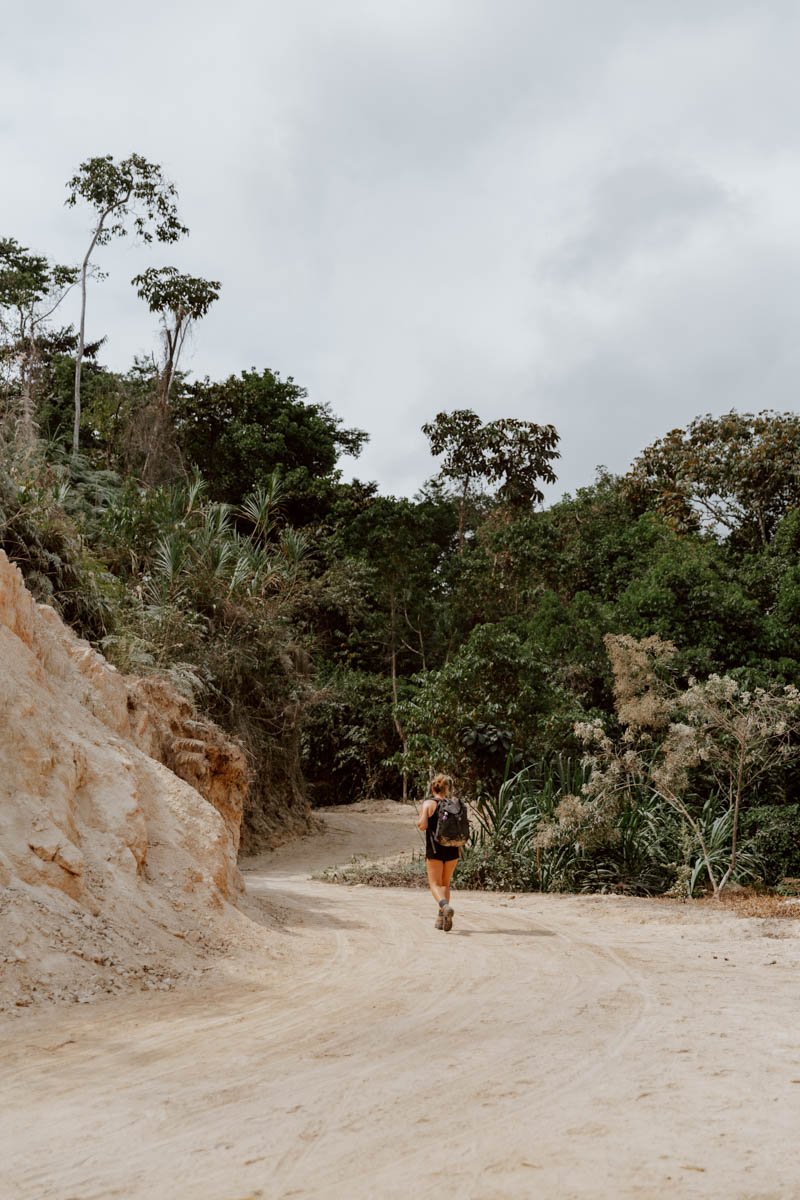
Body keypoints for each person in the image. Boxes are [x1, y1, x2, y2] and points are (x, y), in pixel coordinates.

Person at [417, 773, 460, 931]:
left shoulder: (428, 804)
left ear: (432, 787)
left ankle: (444, 906)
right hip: (453, 848)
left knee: (434, 884)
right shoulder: (453, 804)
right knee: (445, 884)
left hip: (435, 849)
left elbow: (422, 825)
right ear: (446, 788)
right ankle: (441, 918)